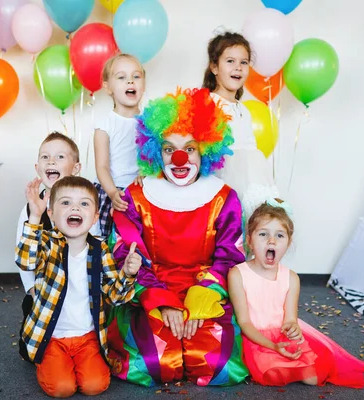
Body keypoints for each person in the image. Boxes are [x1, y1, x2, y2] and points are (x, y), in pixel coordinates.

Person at [106, 87, 249, 387]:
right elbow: (125, 252)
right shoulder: (136, 197)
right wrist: (162, 302)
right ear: (155, 151)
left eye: (190, 148)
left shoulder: (224, 198)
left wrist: (202, 301)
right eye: (169, 149)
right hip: (152, 292)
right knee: (155, 364)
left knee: (215, 365)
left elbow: (230, 257)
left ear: (205, 150)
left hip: (206, 291)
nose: (180, 157)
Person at [15, 176, 142, 397]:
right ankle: (42, 357)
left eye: (84, 203)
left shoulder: (101, 251)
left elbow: (115, 297)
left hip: (88, 338)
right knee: (62, 389)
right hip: (52, 337)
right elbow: (26, 261)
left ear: (94, 218)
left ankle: (74, 363)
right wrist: (35, 216)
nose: (75, 207)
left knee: (95, 386)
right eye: (65, 203)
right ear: (52, 214)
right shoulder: (47, 243)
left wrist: (128, 274)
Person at [228, 200, 364, 387]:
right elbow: (245, 322)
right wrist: (272, 346)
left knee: (312, 378)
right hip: (255, 337)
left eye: (279, 236)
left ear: (288, 243)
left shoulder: (290, 278)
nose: (271, 241)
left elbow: (290, 319)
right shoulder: (238, 274)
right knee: (273, 374)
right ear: (249, 239)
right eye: (263, 234)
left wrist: (292, 329)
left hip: (281, 335)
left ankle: (291, 362)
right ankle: (276, 361)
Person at [15, 132, 81, 361]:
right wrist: (31, 289)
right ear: (37, 167)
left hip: (78, 289)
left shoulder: (85, 203)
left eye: (60, 157)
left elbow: (95, 246)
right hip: (44, 290)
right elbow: (22, 252)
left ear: (76, 168)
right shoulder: (30, 209)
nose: (51, 161)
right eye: (45, 157)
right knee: (34, 352)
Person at [203, 31, 281, 219]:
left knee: (256, 225)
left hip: (251, 182)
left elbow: (251, 148)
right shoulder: (209, 103)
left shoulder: (243, 110)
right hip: (225, 182)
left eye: (243, 62)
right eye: (230, 61)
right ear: (214, 67)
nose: (238, 67)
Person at [93, 53, 145, 239]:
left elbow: (158, 155)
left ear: (144, 83)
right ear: (108, 87)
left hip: (143, 190)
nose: (130, 81)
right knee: (111, 240)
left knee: (143, 240)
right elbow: (102, 167)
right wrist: (113, 193)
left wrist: (148, 173)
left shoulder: (151, 120)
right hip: (115, 191)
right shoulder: (105, 124)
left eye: (136, 76)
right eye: (122, 77)